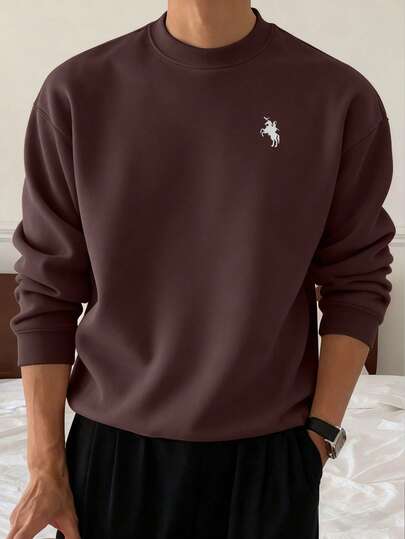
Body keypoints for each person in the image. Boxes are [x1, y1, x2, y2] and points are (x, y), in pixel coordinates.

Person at [7, 1, 396, 538]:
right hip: (114, 457)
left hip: (272, 458)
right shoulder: (77, 92)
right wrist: (45, 467)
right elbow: (47, 292)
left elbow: (357, 280)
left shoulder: (338, 97)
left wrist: (320, 436)